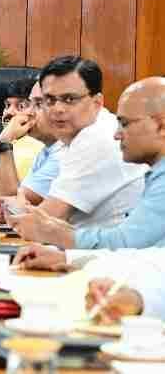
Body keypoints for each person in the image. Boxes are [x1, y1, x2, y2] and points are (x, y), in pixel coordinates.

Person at [9, 77, 165, 263]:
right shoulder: (155, 173)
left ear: (161, 126)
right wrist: (67, 258)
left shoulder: (96, 138)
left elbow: (127, 244)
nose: (117, 135)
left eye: (125, 123)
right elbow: (145, 252)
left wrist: (57, 235)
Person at [6, 56, 145, 239]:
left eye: (69, 99)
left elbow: (42, 224)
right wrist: (19, 208)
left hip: (106, 253)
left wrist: (16, 209)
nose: (57, 109)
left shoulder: (97, 139)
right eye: (49, 100)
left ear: (97, 102)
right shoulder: (74, 136)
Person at [0, 81, 62, 221]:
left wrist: (4, 142)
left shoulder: (62, 155)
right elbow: (10, 205)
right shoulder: (47, 151)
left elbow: (12, 208)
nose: (28, 112)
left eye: (38, 104)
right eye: (29, 104)